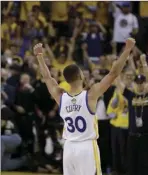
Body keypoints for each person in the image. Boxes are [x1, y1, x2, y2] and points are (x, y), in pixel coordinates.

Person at [33, 38, 136, 175]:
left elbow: (47, 78)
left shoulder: (61, 97)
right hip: (86, 147)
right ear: (81, 76)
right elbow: (114, 73)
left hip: (69, 147)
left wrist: (39, 56)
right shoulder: (90, 95)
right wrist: (127, 50)